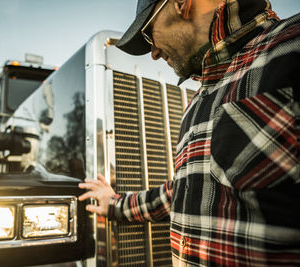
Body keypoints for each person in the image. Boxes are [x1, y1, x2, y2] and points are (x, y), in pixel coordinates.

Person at [79, 0, 300, 265]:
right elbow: (188, 190)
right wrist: (115, 204)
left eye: (149, 34)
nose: (154, 54)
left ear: (181, 4)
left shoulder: (292, 46)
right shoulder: (197, 102)